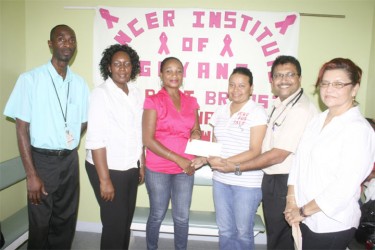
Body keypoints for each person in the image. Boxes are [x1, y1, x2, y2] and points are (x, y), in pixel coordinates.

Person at [209, 55, 318, 249]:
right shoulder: (279, 105)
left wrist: (234, 166)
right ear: (272, 80)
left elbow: (274, 153)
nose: (283, 80)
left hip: (284, 179)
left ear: (299, 78)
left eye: (289, 75)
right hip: (269, 178)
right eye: (278, 75)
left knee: (277, 235)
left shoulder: (300, 109)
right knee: (274, 232)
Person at [3, 24, 89, 249]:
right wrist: (31, 174)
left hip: (70, 160)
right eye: (61, 39)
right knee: (40, 223)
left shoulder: (79, 84)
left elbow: (84, 119)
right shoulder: (30, 79)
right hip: (42, 161)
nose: (67, 43)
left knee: (65, 220)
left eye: (72, 39)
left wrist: (64, 140)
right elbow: (21, 128)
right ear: (50, 44)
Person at [284, 58, 375, 249]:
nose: (328, 89)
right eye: (324, 83)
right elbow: (299, 163)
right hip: (304, 215)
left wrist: (303, 211)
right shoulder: (318, 120)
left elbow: (343, 187)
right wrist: (291, 201)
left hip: (331, 222)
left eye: (338, 84)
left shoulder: (358, 129)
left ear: (354, 88)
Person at [85, 44, 144, 249]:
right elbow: (96, 139)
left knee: (125, 221)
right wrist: (105, 180)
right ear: (109, 67)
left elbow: (138, 132)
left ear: (132, 67)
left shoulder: (136, 93)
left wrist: (141, 163)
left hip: (129, 165)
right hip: (106, 167)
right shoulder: (101, 94)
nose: (122, 68)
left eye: (127, 64)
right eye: (117, 64)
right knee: (114, 224)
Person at [142, 57, 201, 250]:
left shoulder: (191, 101)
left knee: (182, 217)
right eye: (169, 71)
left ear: (183, 75)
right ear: (160, 74)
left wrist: (196, 133)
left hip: (186, 168)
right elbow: (148, 140)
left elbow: (195, 129)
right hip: (158, 167)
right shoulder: (153, 100)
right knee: (157, 214)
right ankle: (151, 247)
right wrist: (178, 159)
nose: (174, 75)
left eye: (178, 71)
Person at [207, 67, 267, 250]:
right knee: (225, 229)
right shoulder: (221, 110)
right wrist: (210, 158)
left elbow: (255, 150)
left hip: (247, 183)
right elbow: (215, 144)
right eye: (232, 85)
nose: (236, 89)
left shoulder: (257, 111)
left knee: (243, 231)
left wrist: (225, 162)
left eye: (242, 85)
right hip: (220, 180)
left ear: (251, 88)